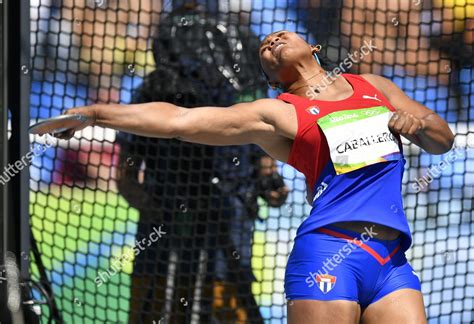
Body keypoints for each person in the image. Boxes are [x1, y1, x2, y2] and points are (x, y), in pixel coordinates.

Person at [52, 30, 454, 323]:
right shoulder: (280, 112)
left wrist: (417, 125)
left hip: (391, 259)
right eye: (264, 47)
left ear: (313, 47)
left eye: (280, 35)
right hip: (330, 252)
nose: (271, 40)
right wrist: (96, 114)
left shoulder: (375, 87)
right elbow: (180, 120)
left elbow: (443, 139)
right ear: (271, 77)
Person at [117, 6, 288, 323]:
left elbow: (265, 158)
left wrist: (269, 183)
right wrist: (158, 213)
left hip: (225, 221)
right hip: (170, 226)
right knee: (159, 306)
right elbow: (126, 174)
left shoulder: (244, 96)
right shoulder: (155, 91)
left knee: (223, 304)